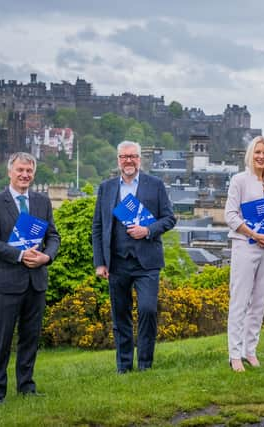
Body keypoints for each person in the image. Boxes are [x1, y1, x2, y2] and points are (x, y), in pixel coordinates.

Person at [0, 152, 61, 406]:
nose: (25, 175)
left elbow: (54, 237)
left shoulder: (42, 201)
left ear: (33, 174)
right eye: (20, 170)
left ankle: (26, 386)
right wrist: (19, 255)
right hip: (7, 283)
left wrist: (46, 258)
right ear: (10, 172)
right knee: (1, 340)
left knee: (30, 338)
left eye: (29, 171)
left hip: (36, 281)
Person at [93, 140, 176, 373]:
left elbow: (169, 219)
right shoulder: (106, 187)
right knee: (120, 315)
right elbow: (98, 226)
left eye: (133, 156)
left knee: (148, 310)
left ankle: (145, 364)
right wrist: (100, 262)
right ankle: (124, 366)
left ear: (140, 159)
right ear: (118, 160)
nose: (128, 160)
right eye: (124, 157)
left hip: (147, 262)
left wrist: (148, 230)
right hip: (116, 262)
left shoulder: (155, 185)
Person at [224, 136, 264, 372]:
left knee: (259, 302)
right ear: (251, 154)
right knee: (240, 301)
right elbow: (230, 216)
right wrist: (255, 234)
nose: (261, 156)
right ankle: (234, 353)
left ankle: (250, 350)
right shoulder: (239, 180)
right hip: (245, 246)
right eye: (258, 152)